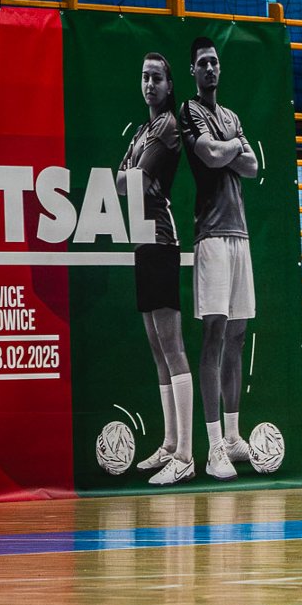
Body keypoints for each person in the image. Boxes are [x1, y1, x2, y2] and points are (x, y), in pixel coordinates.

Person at [180, 36, 260, 480]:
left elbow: (251, 166)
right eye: (202, 63)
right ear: (193, 71)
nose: (210, 69)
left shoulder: (229, 116)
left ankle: (232, 437)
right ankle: (211, 447)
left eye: (214, 63)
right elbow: (211, 156)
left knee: (237, 335)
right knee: (213, 333)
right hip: (210, 234)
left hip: (241, 234)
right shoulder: (190, 112)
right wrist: (230, 147)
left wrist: (227, 148)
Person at [117, 52, 194, 486]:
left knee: (173, 346)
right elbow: (121, 179)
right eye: (144, 77)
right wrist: (128, 175)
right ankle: (168, 444)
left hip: (162, 241)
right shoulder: (142, 131)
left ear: (168, 86)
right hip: (140, 243)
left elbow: (131, 179)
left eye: (157, 78)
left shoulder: (166, 125)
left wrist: (129, 174)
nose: (149, 84)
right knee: (155, 348)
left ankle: (185, 454)